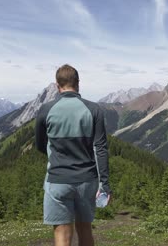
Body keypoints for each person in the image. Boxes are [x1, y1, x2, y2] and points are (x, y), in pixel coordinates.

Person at [35, 64, 111, 246]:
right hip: (87, 181)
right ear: (78, 83)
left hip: (57, 180)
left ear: (56, 86)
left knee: (62, 235)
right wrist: (105, 185)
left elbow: (39, 145)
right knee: (85, 230)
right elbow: (101, 148)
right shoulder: (94, 109)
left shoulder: (46, 109)